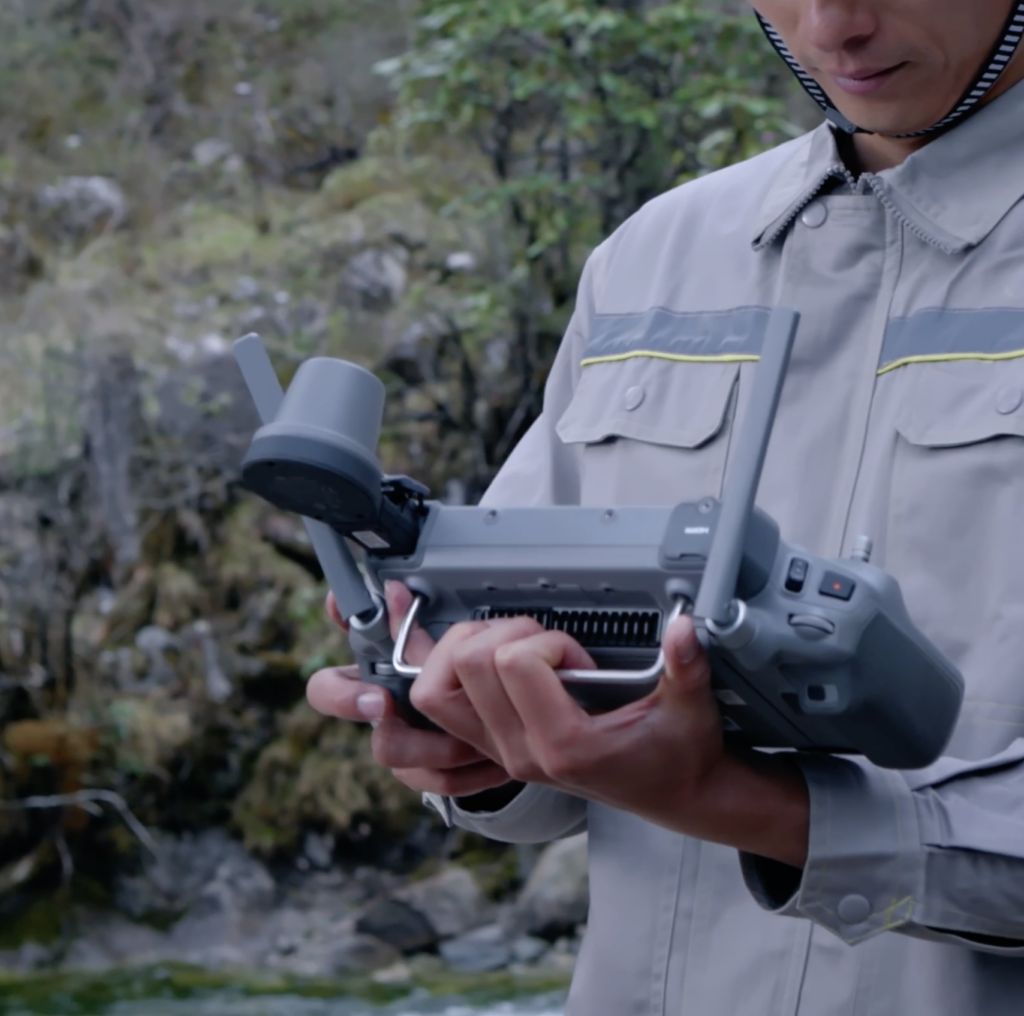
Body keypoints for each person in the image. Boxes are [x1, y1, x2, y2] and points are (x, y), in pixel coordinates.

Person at [308, 1, 1024, 1012]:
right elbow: (544, 759)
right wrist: (479, 742)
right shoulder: (652, 259)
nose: (834, 24)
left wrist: (750, 807)